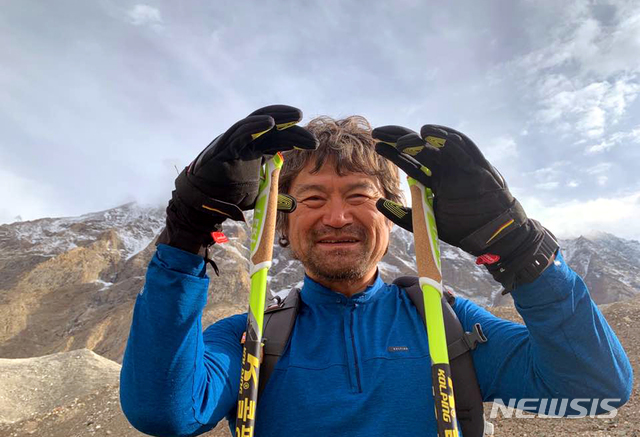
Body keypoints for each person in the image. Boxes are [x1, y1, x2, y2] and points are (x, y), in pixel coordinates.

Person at [120, 105, 632, 437]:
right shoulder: (248, 338)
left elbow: (596, 389)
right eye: (312, 198)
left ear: (393, 215)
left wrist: (520, 249)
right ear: (280, 223)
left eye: (359, 196)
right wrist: (185, 237)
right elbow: (163, 412)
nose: (337, 217)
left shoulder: (451, 329)